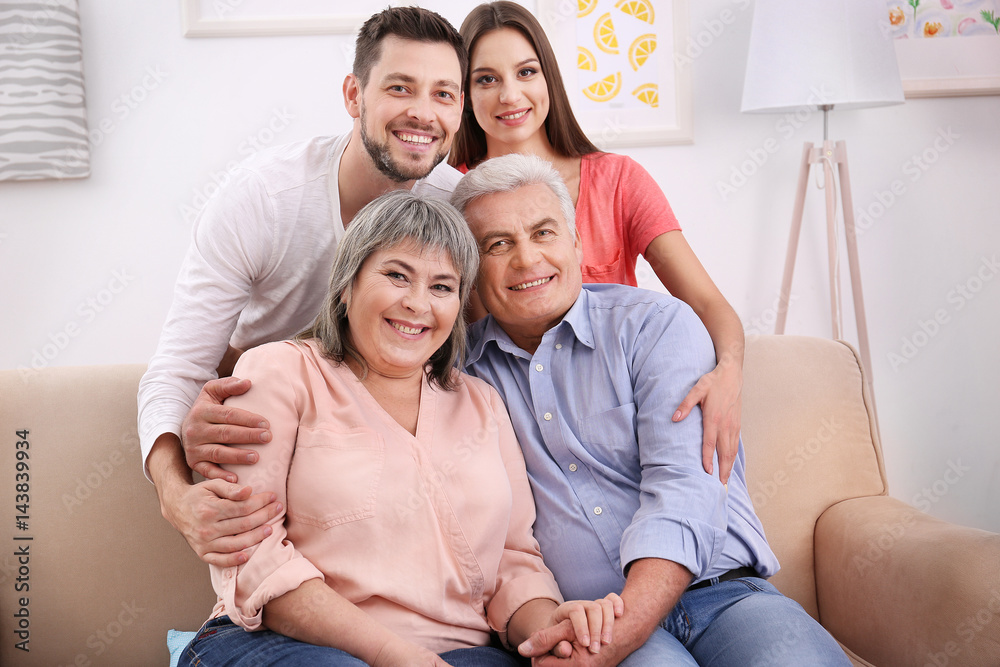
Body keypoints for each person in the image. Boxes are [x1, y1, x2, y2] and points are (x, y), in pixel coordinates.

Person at [180, 190, 623, 667]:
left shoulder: (482, 402)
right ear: (347, 285)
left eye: (442, 287)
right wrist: (396, 656)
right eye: (396, 276)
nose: (417, 303)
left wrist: (549, 631)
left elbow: (514, 561)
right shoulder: (280, 371)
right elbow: (252, 555)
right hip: (286, 643)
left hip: (462, 653)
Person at [448, 153, 852, 666]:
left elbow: (684, 485)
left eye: (544, 233)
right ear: (470, 268)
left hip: (724, 595)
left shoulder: (655, 326)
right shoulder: (458, 376)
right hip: (589, 617)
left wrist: (628, 625)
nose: (527, 259)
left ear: (576, 242)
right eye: (498, 244)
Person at [137, 6, 469, 566]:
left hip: (392, 440)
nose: (423, 111)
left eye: (443, 94)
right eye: (400, 87)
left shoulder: (458, 207)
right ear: (354, 95)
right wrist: (176, 497)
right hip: (276, 430)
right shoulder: (263, 200)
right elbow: (178, 367)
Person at [451, 2, 745, 484]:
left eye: (526, 72)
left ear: (549, 78)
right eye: (486, 79)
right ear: (464, 95)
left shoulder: (619, 181)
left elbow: (707, 303)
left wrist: (729, 374)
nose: (510, 95)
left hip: (614, 422)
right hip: (517, 436)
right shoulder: (449, 198)